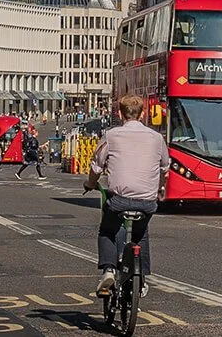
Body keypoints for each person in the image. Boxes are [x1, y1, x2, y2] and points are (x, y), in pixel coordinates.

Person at [85, 95, 169, 299]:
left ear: (120, 114)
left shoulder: (111, 135)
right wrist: (160, 189)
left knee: (108, 230)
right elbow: (165, 168)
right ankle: (142, 279)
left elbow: (97, 166)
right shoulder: (157, 138)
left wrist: (91, 183)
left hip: (120, 199)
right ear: (143, 114)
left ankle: (108, 270)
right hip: (147, 202)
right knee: (141, 233)